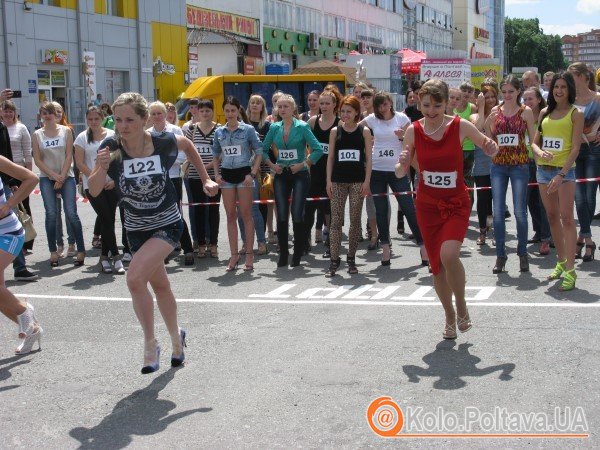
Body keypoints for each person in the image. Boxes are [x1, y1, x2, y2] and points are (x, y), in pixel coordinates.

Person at [90, 92, 219, 373]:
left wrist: (207, 178)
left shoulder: (162, 142)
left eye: (130, 120)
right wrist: (100, 168)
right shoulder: (111, 147)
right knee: (160, 286)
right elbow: (94, 189)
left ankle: (150, 344)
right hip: (136, 228)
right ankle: (176, 338)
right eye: (119, 120)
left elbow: (188, 145)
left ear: (145, 119)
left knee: (134, 278)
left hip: (167, 223)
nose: (123, 126)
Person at [395, 79, 498, 339]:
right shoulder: (413, 130)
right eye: (426, 105)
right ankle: (449, 315)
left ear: (447, 103)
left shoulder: (460, 126)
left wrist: (491, 146)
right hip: (427, 205)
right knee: (436, 265)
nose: (430, 111)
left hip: (455, 203)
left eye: (437, 106)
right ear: (419, 102)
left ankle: (462, 306)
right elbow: (400, 169)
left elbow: (486, 143)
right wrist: (403, 163)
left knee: (449, 254)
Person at [362, 91, 427, 266]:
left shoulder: (402, 118)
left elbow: (413, 141)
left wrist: (402, 137)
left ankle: (423, 246)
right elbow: (354, 129)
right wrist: (368, 139)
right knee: (381, 211)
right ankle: (385, 247)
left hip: (397, 169)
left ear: (391, 103)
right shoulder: (371, 120)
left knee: (408, 207)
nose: (383, 107)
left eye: (385, 104)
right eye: (379, 105)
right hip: (376, 170)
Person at [531, 72, 583, 291]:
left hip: (565, 173)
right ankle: (561, 262)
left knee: (566, 219)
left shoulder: (576, 113)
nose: (559, 91)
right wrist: (540, 153)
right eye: (555, 87)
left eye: (563, 87)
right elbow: (534, 143)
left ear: (570, 89)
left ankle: (571, 270)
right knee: (551, 216)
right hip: (543, 171)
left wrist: (561, 174)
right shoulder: (545, 112)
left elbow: (576, 148)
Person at [262, 94, 323, 267]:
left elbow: (317, 149)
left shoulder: (302, 126)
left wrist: (304, 163)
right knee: (282, 214)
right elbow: (263, 150)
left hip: (300, 173)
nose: (282, 110)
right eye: (279, 107)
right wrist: (272, 166)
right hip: (281, 173)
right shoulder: (274, 127)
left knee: (297, 212)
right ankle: (283, 253)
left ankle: (298, 252)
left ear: (293, 108)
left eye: (286, 106)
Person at [486, 75, 537, 273]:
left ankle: (522, 254)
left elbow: (532, 139)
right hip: (498, 164)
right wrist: (488, 123)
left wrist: (539, 158)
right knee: (498, 212)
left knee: (519, 212)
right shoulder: (495, 111)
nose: (507, 95)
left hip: (519, 164)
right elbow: (489, 137)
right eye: (504, 91)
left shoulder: (526, 112)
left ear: (518, 92)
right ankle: (500, 255)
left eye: (511, 91)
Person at [32, 101, 86, 267]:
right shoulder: (37, 135)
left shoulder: (66, 131)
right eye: (44, 113)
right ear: (41, 116)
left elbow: (69, 154)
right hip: (47, 177)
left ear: (56, 115)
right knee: (51, 213)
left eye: (50, 113)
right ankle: (53, 250)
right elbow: (38, 160)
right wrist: (53, 176)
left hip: (66, 176)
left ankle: (80, 249)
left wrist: (61, 176)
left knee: (71, 212)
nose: (48, 116)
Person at [213, 96, 262, 271]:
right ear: (223, 112)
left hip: (244, 176)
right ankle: (234, 256)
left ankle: (249, 254)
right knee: (230, 216)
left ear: (238, 111)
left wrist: (253, 173)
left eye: (233, 110)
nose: (230, 114)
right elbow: (216, 155)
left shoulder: (248, 130)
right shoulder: (219, 132)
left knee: (246, 215)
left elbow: (259, 151)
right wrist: (217, 175)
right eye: (227, 110)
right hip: (226, 177)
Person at [325, 95, 372, 276]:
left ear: (356, 113)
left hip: (357, 181)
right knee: (335, 221)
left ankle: (351, 258)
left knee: (355, 221)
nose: (345, 114)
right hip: (337, 180)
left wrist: (367, 181)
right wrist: (328, 181)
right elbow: (330, 158)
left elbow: (368, 159)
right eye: (343, 111)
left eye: (349, 111)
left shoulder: (364, 131)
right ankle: (334, 260)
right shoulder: (335, 131)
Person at [0, 153, 42, 354]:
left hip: (8, 233)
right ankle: (32, 329)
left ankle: (24, 311)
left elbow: (31, 178)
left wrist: (9, 204)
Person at [74, 106, 123, 274]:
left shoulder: (111, 135)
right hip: (92, 185)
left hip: (111, 184)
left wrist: (114, 181)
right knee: (105, 216)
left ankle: (104, 258)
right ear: (87, 120)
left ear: (102, 118)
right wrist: (96, 177)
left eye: (96, 119)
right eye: (90, 119)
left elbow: (119, 160)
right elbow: (79, 163)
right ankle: (116, 256)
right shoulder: (82, 137)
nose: (93, 122)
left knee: (108, 219)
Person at [147, 101, 195, 265]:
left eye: (159, 113)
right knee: (159, 215)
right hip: (155, 180)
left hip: (173, 176)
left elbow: (182, 156)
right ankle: (165, 250)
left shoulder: (174, 131)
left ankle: (188, 248)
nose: (156, 116)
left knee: (176, 213)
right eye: (153, 114)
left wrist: (163, 161)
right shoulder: (147, 133)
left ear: (165, 114)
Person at [0, 100, 38, 281]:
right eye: (3, 110)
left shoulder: (13, 129)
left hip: (6, 178)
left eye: (10, 110)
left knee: (15, 218)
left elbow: (7, 153)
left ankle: (20, 266)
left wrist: (13, 182)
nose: (7, 113)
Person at [569, 62, 600, 262]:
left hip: (594, 151)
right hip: (573, 151)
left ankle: (583, 237)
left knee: (589, 196)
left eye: (572, 75)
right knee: (579, 198)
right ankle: (588, 239)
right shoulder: (569, 100)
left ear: (583, 77)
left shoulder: (598, 99)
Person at [305, 89, 341, 258]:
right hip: (315, 169)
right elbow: (307, 146)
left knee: (330, 209)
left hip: (333, 171)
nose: (324, 106)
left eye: (328, 103)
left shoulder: (340, 123)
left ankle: (331, 242)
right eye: (322, 103)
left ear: (334, 105)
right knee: (309, 206)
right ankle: (305, 241)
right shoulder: (313, 121)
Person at [184, 99, 221, 259]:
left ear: (212, 111)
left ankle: (213, 244)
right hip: (194, 175)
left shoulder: (219, 130)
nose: (205, 113)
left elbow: (220, 154)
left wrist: (206, 168)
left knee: (213, 210)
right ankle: (201, 245)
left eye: (208, 110)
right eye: (202, 111)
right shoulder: (191, 129)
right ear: (197, 112)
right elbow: (187, 152)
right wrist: (200, 169)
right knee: (198, 210)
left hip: (213, 175)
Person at [522, 87, 551, 255]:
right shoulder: (522, 115)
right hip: (524, 162)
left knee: (543, 202)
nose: (527, 103)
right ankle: (539, 231)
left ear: (539, 99)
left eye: (530, 99)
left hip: (540, 162)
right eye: (524, 100)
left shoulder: (545, 116)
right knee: (530, 200)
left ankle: (548, 238)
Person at [469, 80, 498, 246]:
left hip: (498, 163)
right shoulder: (474, 115)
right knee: (483, 200)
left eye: (493, 96)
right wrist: (480, 108)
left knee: (497, 200)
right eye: (486, 97)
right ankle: (482, 231)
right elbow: (476, 129)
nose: (490, 100)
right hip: (481, 163)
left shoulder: (500, 113)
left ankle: (493, 229)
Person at [244, 94, 271, 254]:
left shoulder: (266, 126)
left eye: (258, 103)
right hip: (246, 167)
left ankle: (263, 239)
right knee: (246, 208)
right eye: (252, 102)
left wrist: (260, 164)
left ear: (262, 107)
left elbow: (266, 147)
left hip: (263, 168)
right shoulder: (243, 124)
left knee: (261, 205)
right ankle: (247, 241)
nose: (254, 105)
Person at [454, 81, 478, 207]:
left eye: (470, 91)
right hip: (453, 149)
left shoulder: (472, 107)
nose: (467, 93)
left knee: (468, 181)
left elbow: (474, 122)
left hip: (468, 148)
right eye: (464, 90)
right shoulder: (452, 106)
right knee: (455, 180)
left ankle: (467, 208)